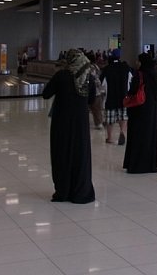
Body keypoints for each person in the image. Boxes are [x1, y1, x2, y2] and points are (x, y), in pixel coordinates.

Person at [42, 49, 96, 203]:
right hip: (81, 124)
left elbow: (46, 94)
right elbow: (92, 100)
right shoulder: (88, 77)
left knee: (62, 154)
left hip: (62, 122)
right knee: (80, 154)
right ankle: (80, 190)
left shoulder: (61, 75)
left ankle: (63, 190)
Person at [123, 53, 157, 174]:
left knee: (137, 135)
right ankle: (148, 165)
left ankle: (135, 164)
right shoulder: (153, 74)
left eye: (138, 61)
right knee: (149, 136)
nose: (137, 63)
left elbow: (133, 90)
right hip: (151, 109)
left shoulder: (139, 74)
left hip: (138, 109)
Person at [101, 49, 130, 144]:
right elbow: (130, 81)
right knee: (123, 116)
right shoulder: (126, 67)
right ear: (120, 57)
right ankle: (122, 132)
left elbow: (102, 84)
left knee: (110, 119)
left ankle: (109, 138)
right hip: (123, 97)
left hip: (110, 98)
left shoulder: (107, 69)